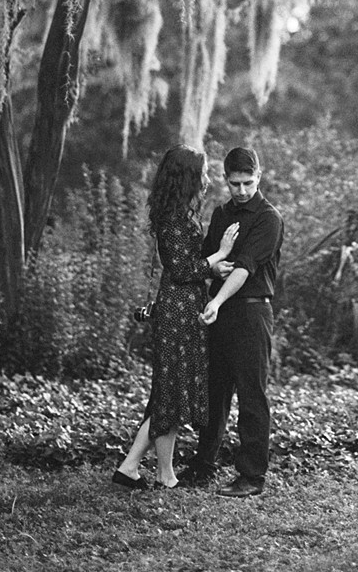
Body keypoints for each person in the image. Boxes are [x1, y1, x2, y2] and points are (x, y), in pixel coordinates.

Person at [112, 145, 238, 490]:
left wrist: (214, 267)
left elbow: (186, 268)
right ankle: (134, 467)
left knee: (169, 392)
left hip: (184, 307)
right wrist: (218, 257)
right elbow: (182, 269)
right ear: (187, 177)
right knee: (170, 393)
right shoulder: (173, 219)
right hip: (179, 311)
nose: (206, 178)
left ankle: (157, 472)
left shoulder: (177, 213)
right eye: (202, 172)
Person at [180, 145, 285, 498]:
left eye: (248, 183)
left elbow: (244, 268)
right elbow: (210, 258)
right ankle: (204, 464)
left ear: (260, 176)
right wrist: (212, 266)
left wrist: (217, 299)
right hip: (220, 312)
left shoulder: (268, 218)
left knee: (252, 394)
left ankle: (251, 476)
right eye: (235, 183)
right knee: (215, 391)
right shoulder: (222, 214)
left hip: (252, 312)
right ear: (225, 179)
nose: (241, 190)